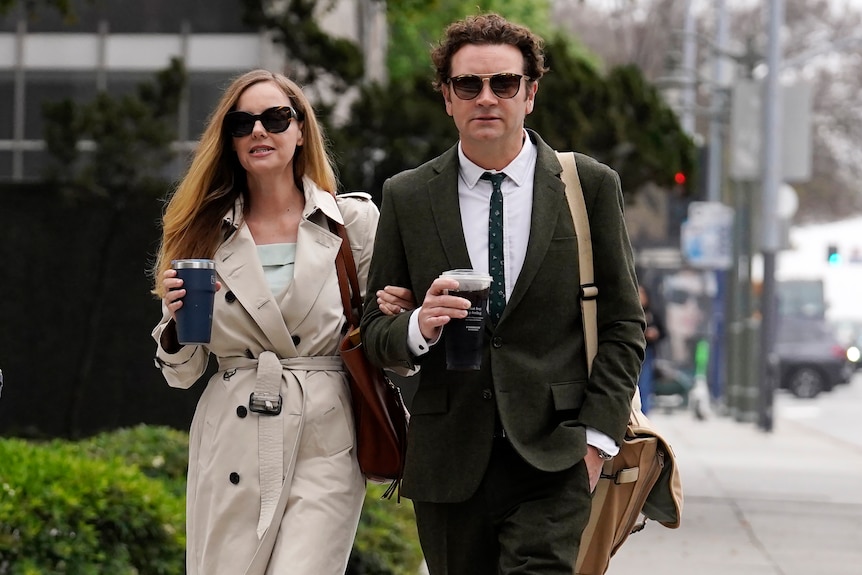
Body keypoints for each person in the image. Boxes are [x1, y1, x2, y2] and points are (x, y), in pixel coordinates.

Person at [361, 14, 646, 574]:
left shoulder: (587, 185)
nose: (486, 98)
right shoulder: (408, 196)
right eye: (468, 84)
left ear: (530, 93)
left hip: (554, 454)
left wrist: (595, 440)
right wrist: (420, 324)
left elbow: (622, 324)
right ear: (447, 98)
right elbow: (376, 332)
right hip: (448, 457)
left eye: (504, 83)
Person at [151, 69, 407, 575]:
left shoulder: (351, 222)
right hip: (233, 432)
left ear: (300, 129)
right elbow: (180, 372)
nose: (259, 132)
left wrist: (401, 312)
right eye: (242, 123)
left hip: (325, 432)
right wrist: (179, 324)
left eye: (275, 118)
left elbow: (386, 336)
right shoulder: (200, 232)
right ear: (228, 140)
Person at [637, 283, 666, 414]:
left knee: (645, 384)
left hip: (647, 352)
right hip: (632, 352)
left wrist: (654, 333)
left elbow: (663, 332)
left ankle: (644, 413)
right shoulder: (630, 313)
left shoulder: (652, 314)